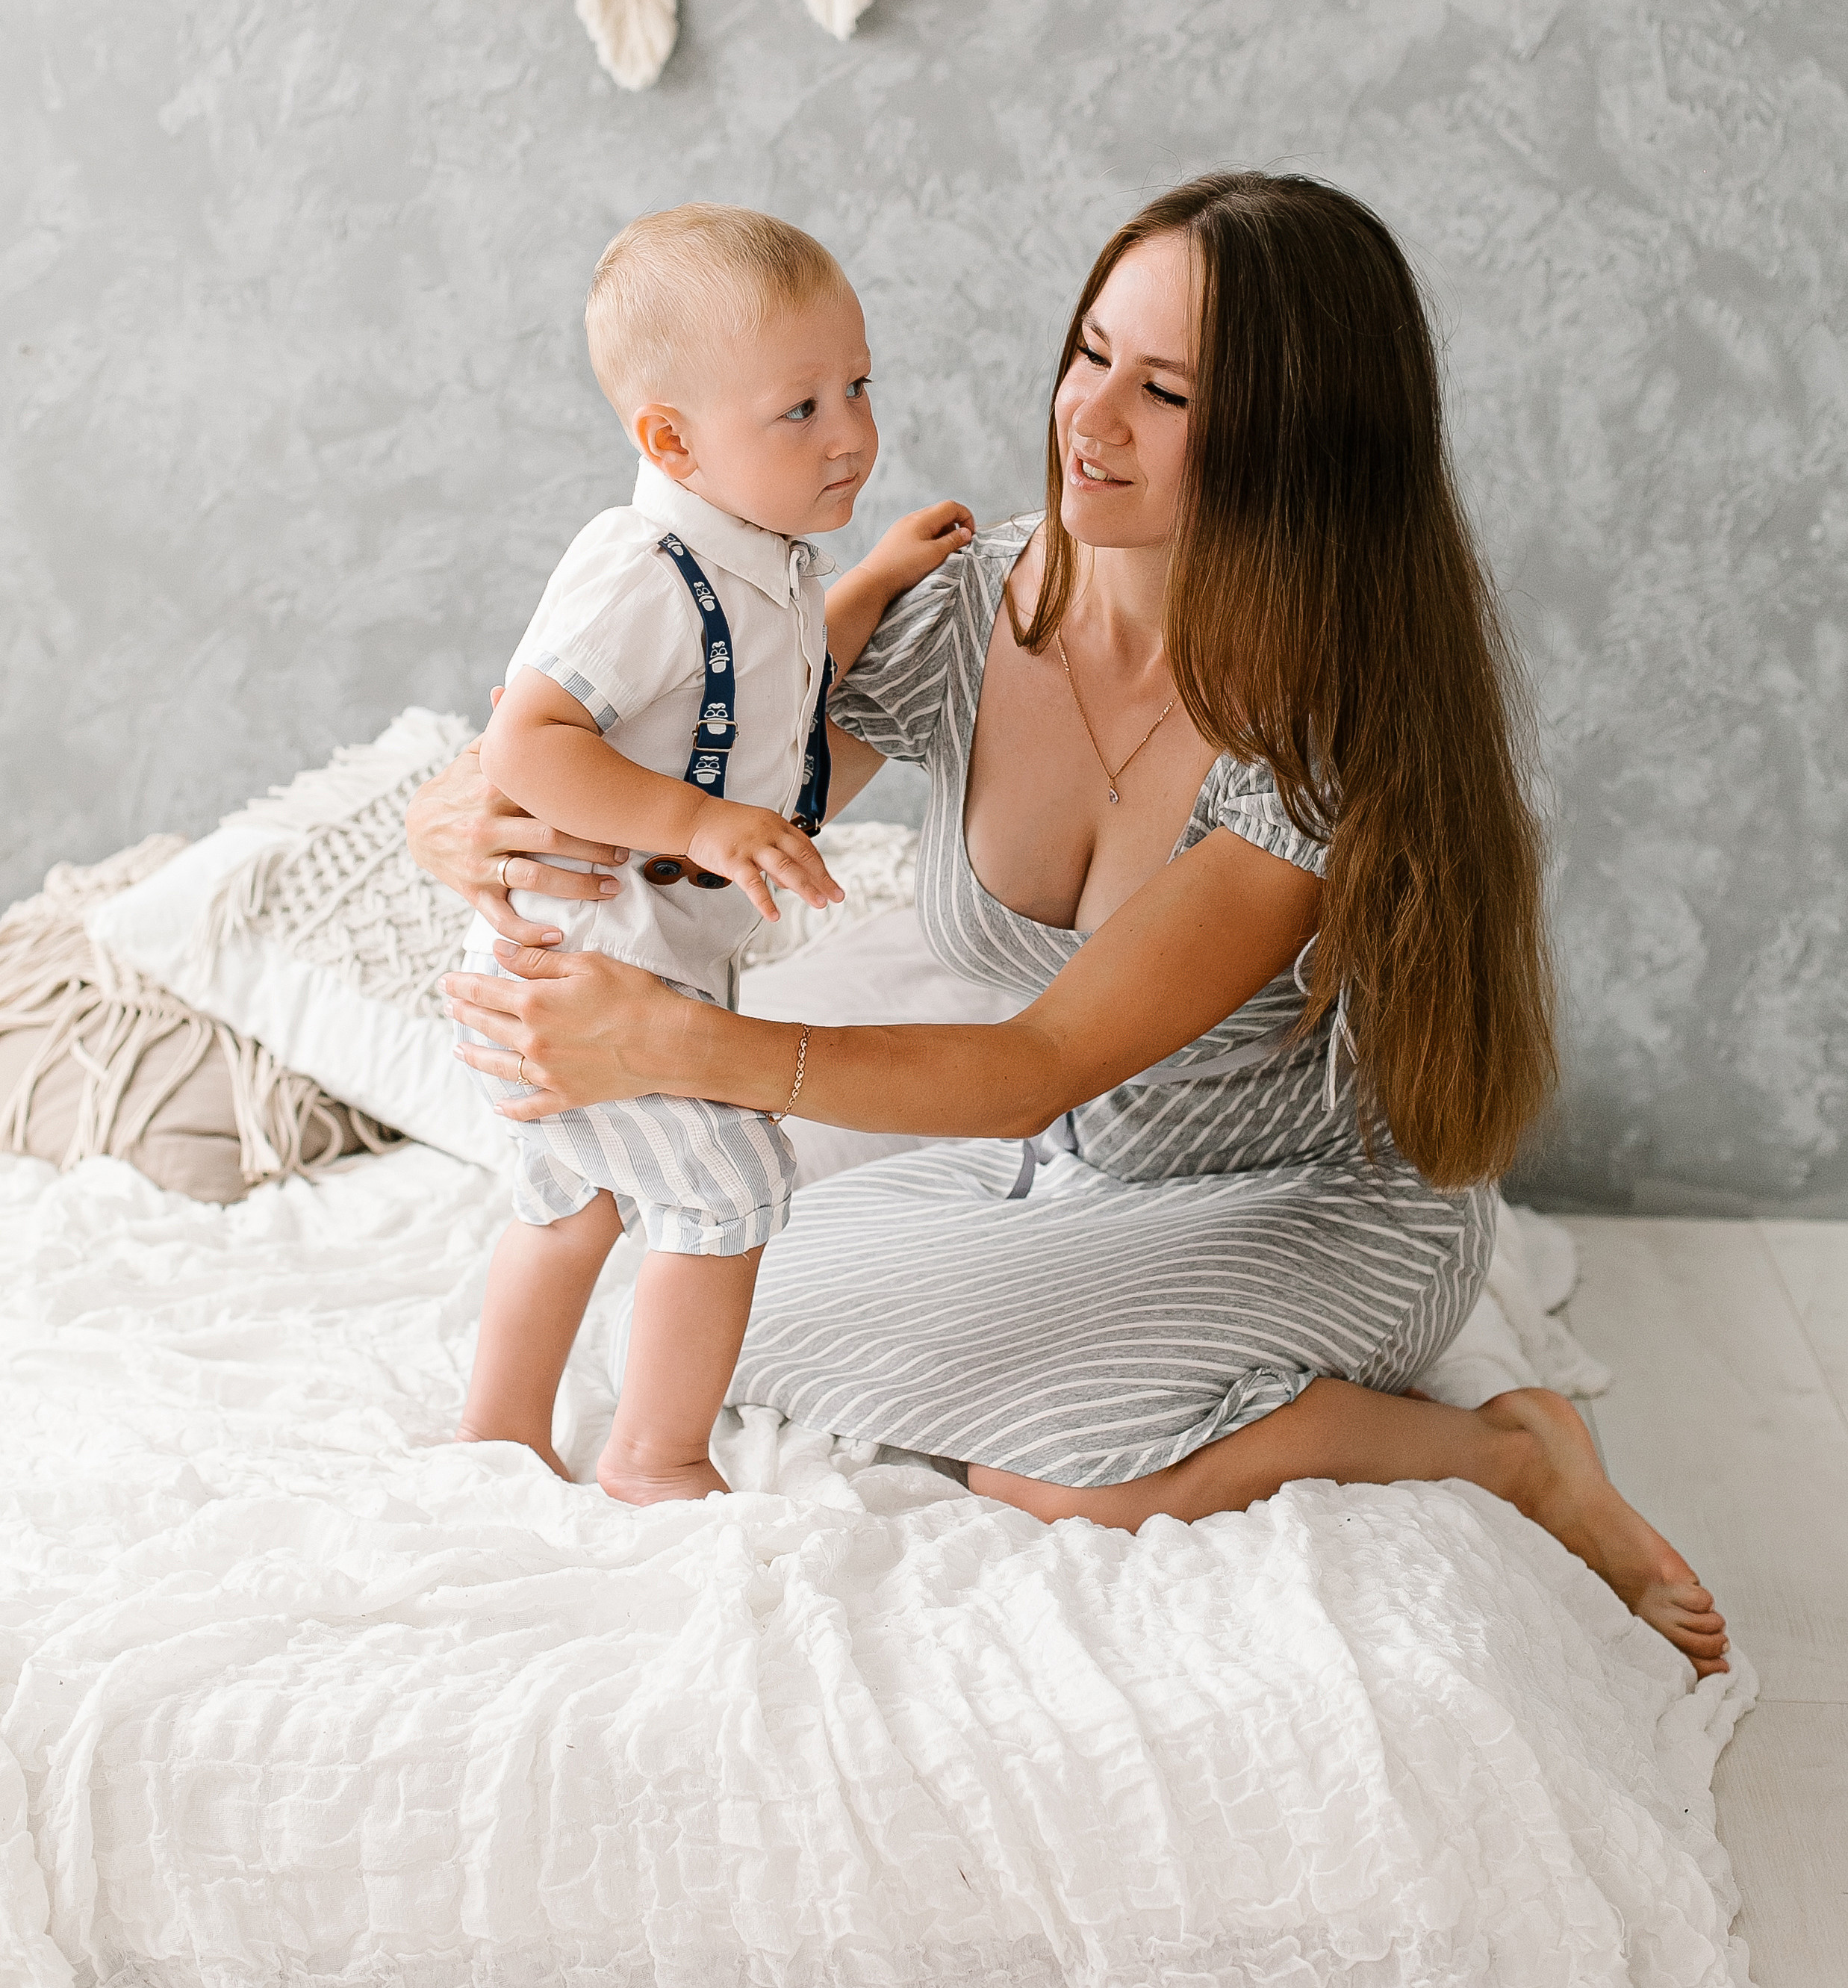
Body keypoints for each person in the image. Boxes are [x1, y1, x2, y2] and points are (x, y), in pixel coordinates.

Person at [419, 171, 1728, 1674]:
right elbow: (704, 781)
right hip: (1065, 1173)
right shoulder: (972, 611)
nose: (1087, 418)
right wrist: (454, 811)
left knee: (1068, 1474)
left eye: (1163, 391)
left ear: (1293, 443)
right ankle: (1094, 1313)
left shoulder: (1317, 740)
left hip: (1311, 1196)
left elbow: (1038, 1060)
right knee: (726, 1315)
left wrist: (679, 1045)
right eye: (1090, 353)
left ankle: (1511, 1452)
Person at [452, 202, 971, 1501]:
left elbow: (791, 676)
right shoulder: (639, 569)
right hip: (583, 960)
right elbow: (528, 740)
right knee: (727, 1190)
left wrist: (877, 580)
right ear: (671, 441)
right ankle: (655, 1455)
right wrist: (698, 823)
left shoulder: (768, 561)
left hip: (645, 959)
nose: (850, 432)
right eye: (801, 408)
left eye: (858, 387)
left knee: (572, 1198)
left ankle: (498, 1433)